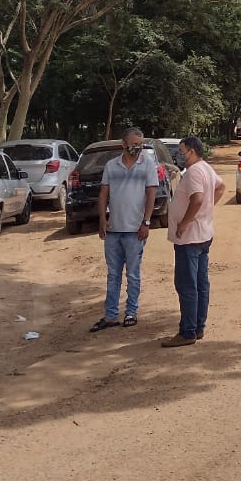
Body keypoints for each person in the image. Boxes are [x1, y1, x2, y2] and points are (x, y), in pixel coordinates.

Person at [89, 128, 156, 332]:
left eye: (140, 144)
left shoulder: (148, 165)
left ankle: (131, 312)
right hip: (113, 230)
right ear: (123, 144)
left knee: (133, 274)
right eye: (133, 144)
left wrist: (146, 222)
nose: (137, 148)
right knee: (113, 275)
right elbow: (103, 194)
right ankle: (110, 315)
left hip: (135, 231)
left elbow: (151, 195)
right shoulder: (111, 166)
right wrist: (102, 219)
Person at [161, 135, 224, 348]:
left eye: (181, 150)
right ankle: (197, 327)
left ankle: (188, 331)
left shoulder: (196, 171)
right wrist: (208, 209)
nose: (179, 154)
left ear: (192, 151)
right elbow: (220, 187)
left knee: (187, 285)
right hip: (202, 235)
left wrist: (184, 223)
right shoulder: (205, 168)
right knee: (199, 283)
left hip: (190, 238)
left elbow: (197, 199)